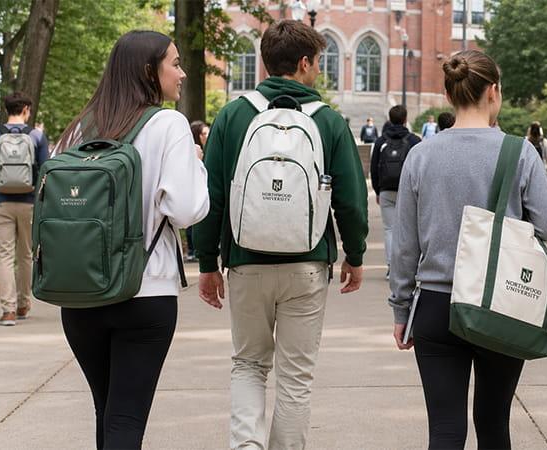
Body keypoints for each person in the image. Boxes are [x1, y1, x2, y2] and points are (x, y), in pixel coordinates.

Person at [194, 20, 368, 450]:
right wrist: (355, 254)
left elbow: (211, 194)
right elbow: (350, 198)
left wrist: (207, 263)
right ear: (305, 63)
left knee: (249, 365)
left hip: (245, 261)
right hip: (306, 263)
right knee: (295, 376)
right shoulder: (327, 121)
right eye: (317, 63)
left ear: (267, 62)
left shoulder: (233, 115)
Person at [389, 50, 547, 449]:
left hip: (435, 304)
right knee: (493, 423)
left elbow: (404, 245)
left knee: (446, 430)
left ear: (449, 96)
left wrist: (402, 309)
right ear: (494, 92)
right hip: (499, 302)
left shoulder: (421, 155)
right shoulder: (519, 152)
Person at [52, 30, 209, 449]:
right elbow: (187, 209)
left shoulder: (78, 129)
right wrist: (198, 165)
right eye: (174, 63)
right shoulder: (168, 124)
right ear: (148, 72)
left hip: (80, 294)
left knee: (108, 413)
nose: (183, 72)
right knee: (125, 419)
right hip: (145, 293)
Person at [0, 92, 49, 326]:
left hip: (0, 202)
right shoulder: (36, 135)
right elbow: (46, 169)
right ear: (26, 109)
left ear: (7, 109)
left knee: (5, 255)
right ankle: (24, 303)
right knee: (26, 254)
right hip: (28, 203)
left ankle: (8, 311)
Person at [370, 105, 421, 280]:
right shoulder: (414, 140)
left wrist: (378, 190)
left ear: (390, 119)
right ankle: (407, 268)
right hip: (408, 191)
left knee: (390, 230)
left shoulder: (380, 141)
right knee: (409, 230)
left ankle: (391, 267)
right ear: (406, 119)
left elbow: (374, 168)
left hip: (386, 190)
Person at [185, 120, 209, 262]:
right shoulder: (192, 152)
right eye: (204, 133)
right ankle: (192, 249)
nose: (207, 136)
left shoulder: (209, 149)